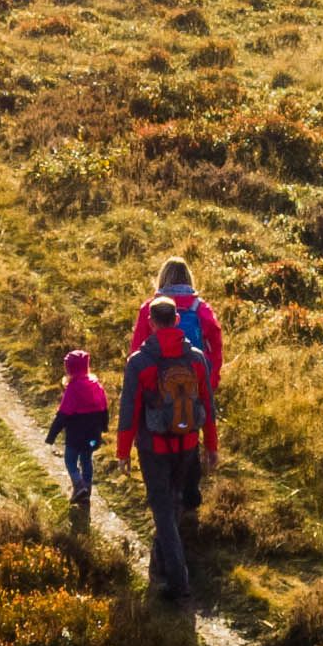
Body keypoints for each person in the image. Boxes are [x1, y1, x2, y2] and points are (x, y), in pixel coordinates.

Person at [114, 255, 223, 608]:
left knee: (161, 507)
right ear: (176, 319)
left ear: (150, 320)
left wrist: (121, 452)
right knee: (172, 500)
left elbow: (129, 411)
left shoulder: (140, 363)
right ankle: (161, 564)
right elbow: (208, 405)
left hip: (153, 443)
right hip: (188, 438)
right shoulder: (196, 360)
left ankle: (177, 582)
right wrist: (211, 447)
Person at [47, 346, 110, 520]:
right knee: (87, 460)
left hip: (75, 436)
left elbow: (63, 414)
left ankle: (79, 485)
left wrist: (51, 436)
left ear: (69, 369)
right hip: (92, 436)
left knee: (70, 461)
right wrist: (104, 427)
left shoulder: (73, 389)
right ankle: (86, 492)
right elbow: (104, 408)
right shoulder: (96, 385)